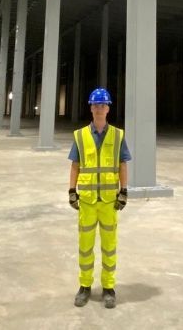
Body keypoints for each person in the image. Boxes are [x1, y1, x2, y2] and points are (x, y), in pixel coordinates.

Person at [68, 87, 131, 309]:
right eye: (96, 105)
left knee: (109, 245)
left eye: (103, 105)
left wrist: (124, 191)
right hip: (86, 200)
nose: (99, 109)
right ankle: (85, 287)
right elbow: (75, 165)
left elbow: (122, 164)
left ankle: (108, 288)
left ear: (108, 108)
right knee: (85, 245)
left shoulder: (117, 135)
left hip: (108, 201)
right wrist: (71, 190)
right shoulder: (80, 135)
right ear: (91, 108)